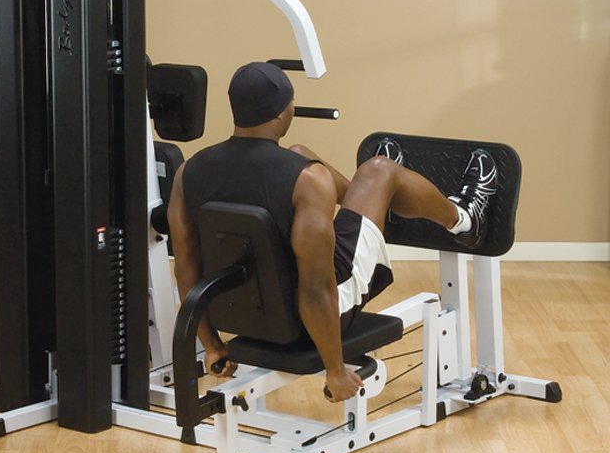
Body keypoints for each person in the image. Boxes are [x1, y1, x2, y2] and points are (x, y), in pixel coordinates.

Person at [167, 61, 497, 402]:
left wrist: (212, 345)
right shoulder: (306, 179)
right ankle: (465, 219)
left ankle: (381, 203)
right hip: (310, 319)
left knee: (298, 153)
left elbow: (186, 271)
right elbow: (316, 288)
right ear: (283, 113)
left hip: (243, 315)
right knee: (379, 170)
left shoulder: (188, 173)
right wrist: (335, 369)